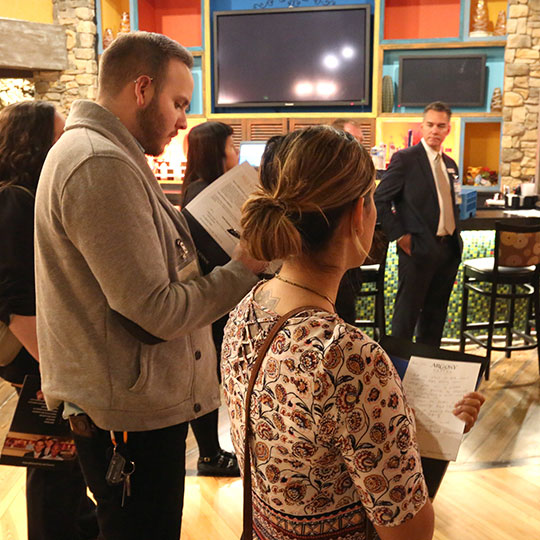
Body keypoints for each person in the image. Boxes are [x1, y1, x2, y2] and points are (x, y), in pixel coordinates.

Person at [34, 32, 264, 540]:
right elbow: (154, 310)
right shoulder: (99, 162)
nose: (184, 121)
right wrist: (246, 266)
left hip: (131, 403)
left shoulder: (107, 152)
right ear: (142, 89)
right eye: (179, 103)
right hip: (129, 413)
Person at [221, 125, 484, 539]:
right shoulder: (347, 356)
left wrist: (399, 419)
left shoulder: (245, 311)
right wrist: (402, 431)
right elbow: (409, 532)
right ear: (358, 215)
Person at [0, 100, 98, 540]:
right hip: (35, 352)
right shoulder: (14, 200)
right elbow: (17, 299)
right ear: (34, 143)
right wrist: (51, 367)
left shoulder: (23, 196)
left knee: (61, 458)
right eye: (59, 136)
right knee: (52, 461)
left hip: (41, 351)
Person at [374, 101, 462, 347]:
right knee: (406, 317)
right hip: (418, 248)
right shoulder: (405, 159)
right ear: (423, 127)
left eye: (441, 126)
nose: (435, 130)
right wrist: (400, 236)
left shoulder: (450, 164)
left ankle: (427, 375)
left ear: (448, 129)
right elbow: (380, 199)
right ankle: (396, 378)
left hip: (448, 249)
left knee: (435, 317)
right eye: (430, 125)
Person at [181, 120, 241, 476]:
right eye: (233, 147)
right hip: (211, 300)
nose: (236, 153)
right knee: (207, 376)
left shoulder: (201, 188)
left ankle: (211, 452)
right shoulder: (202, 194)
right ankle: (208, 454)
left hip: (217, 298)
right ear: (214, 153)